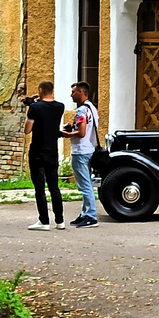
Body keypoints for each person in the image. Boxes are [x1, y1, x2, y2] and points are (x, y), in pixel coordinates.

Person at [24, 81, 66, 231]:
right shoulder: (60, 106)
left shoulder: (35, 108)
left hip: (37, 151)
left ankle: (44, 221)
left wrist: (33, 104)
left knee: (40, 188)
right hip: (52, 151)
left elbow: (27, 130)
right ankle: (60, 221)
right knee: (54, 187)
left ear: (40, 90)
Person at [64, 82, 99, 227]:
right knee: (87, 183)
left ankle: (91, 215)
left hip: (80, 151)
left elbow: (82, 132)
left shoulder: (81, 111)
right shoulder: (92, 108)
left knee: (85, 185)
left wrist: (66, 134)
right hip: (89, 148)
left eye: (73, 92)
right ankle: (85, 213)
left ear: (81, 92)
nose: (71, 95)